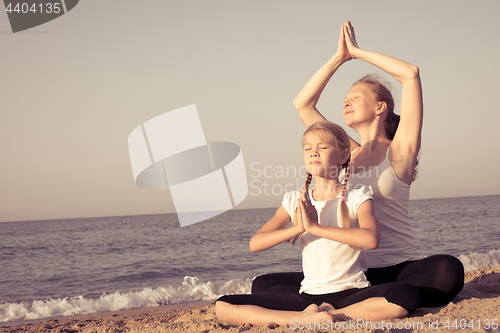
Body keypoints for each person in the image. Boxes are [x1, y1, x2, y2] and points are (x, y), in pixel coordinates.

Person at [251, 21, 464, 307]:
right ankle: (361, 300)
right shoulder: (345, 153)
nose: (346, 103)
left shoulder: (400, 151)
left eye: (355, 97)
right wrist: (339, 58)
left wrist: (358, 52)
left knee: (447, 271)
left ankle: (364, 301)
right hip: (350, 274)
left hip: (400, 269)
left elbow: (411, 74)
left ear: (380, 107)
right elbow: (303, 104)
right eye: (345, 99)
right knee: (264, 285)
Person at [215, 121, 420, 327]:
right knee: (223, 305)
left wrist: (315, 228)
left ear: (342, 156)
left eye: (322, 147)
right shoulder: (294, 200)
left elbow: (371, 239)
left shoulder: (357, 196)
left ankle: (334, 315)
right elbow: (256, 243)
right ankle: (304, 319)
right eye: (308, 149)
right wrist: (297, 228)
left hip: (351, 293)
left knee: (404, 295)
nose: (313, 153)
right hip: (308, 296)